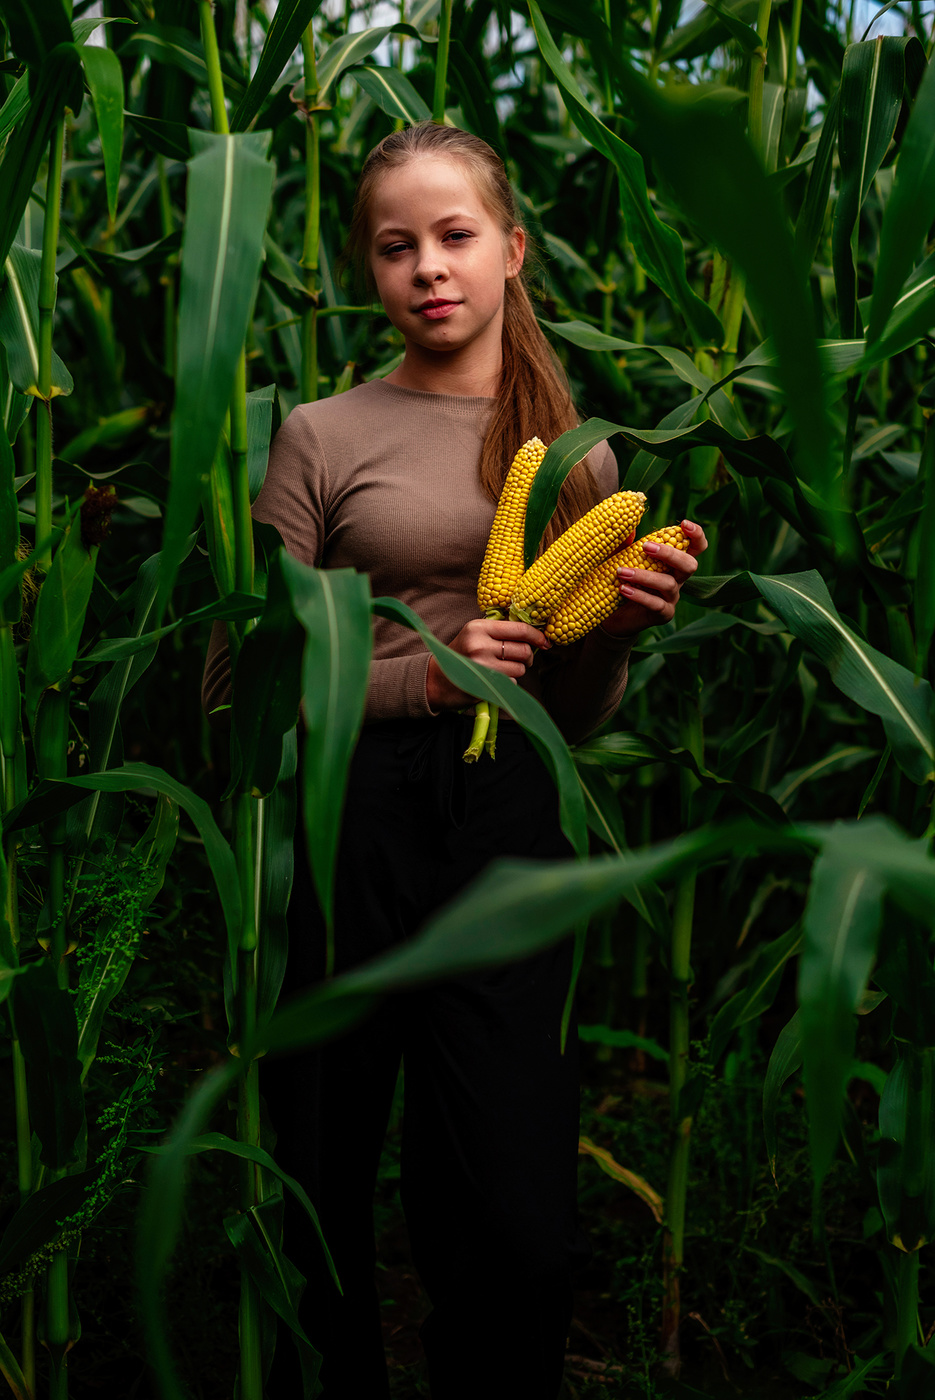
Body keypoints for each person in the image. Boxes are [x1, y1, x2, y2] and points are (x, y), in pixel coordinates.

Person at [203, 121, 706, 1399]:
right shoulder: (320, 434)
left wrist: (616, 630)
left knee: (516, 1221)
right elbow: (233, 690)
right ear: (370, 271)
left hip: (503, 823)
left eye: (455, 236)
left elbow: (575, 714)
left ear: (512, 251)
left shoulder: (574, 453)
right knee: (317, 1179)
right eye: (395, 245)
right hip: (345, 820)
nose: (428, 267)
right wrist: (420, 676)